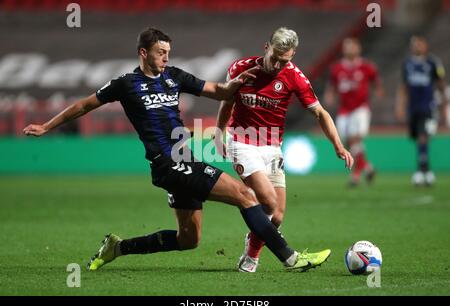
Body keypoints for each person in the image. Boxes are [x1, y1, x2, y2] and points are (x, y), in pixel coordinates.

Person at [23, 27, 341, 272]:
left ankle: (117, 248)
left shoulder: (174, 77)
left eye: (168, 52)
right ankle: (290, 257)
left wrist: (234, 86)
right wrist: (47, 126)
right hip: (169, 161)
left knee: (188, 240)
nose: (166, 57)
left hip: (184, 159)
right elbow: (83, 105)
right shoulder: (125, 84)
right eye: (161, 52)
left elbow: (215, 90)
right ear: (143, 52)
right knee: (247, 196)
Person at [215, 27, 354, 273]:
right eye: (275, 58)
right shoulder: (240, 68)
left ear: (293, 54)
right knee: (267, 202)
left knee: (277, 215)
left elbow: (320, 112)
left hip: (272, 146)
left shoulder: (295, 77)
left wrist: (338, 145)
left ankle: (251, 251)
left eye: (285, 60)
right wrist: (219, 133)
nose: (278, 65)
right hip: (242, 141)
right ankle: (276, 258)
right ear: (266, 47)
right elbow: (227, 102)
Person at [324, 37, 384, 186]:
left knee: (355, 139)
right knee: (347, 143)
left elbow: (376, 81)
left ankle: (356, 175)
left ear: (358, 48)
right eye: (346, 47)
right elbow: (331, 85)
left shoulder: (366, 66)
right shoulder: (337, 68)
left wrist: (378, 92)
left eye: (351, 46)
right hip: (344, 110)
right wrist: (329, 95)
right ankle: (367, 168)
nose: (349, 49)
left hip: (360, 108)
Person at [396, 36, 448, 186]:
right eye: (414, 44)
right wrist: (400, 105)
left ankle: (422, 171)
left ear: (426, 45)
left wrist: (444, 106)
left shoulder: (433, 63)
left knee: (423, 136)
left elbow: (441, 84)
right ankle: (426, 171)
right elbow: (403, 87)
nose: (417, 46)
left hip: (428, 107)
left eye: (420, 44)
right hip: (413, 107)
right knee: (418, 138)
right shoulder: (407, 64)